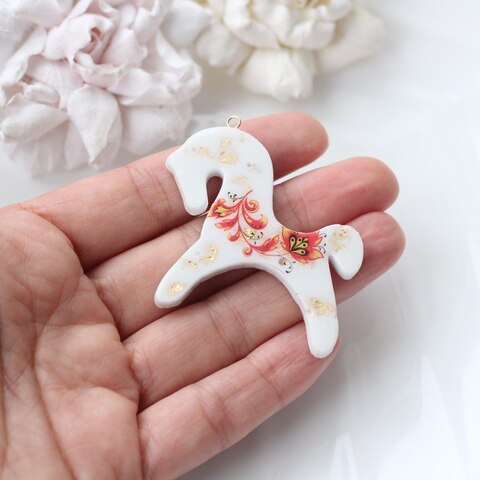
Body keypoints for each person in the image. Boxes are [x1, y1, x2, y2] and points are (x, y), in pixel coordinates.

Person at [0, 113, 404, 479]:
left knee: (283, 267)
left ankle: (318, 292)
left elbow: (207, 252)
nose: (194, 200)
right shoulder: (230, 209)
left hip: (260, 240)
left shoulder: (231, 219)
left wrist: (177, 282)